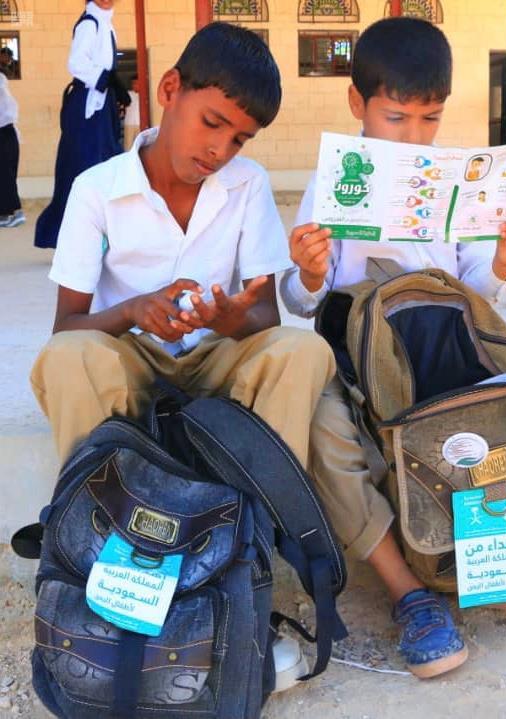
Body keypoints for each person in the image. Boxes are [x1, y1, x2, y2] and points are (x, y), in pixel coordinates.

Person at [281, 17, 506, 680]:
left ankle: (500, 565)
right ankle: (409, 593)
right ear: (358, 104)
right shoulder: (336, 181)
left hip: (442, 341)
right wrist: (306, 271)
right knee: (323, 432)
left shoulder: (457, 181)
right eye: (395, 117)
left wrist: (503, 259)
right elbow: (304, 302)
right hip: (359, 360)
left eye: (430, 119)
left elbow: (474, 288)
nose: (413, 136)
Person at [30, 20, 335, 494]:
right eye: (212, 123)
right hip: (129, 364)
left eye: (239, 140)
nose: (220, 150)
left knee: (303, 350)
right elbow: (66, 326)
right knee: (66, 358)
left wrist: (228, 319)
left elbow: (266, 317)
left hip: (216, 363)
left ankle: (264, 510)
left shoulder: (248, 183)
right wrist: (134, 311)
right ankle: (99, 509)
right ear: (170, 89)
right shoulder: (96, 189)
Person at [34, 0, 125, 249]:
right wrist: (105, 80)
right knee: (82, 169)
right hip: (87, 105)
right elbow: (76, 63)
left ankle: (99, 235)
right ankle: (63, 236)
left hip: (101, 103)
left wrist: (114, 88)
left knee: (105, 165)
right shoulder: (89, 23)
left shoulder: (107, 24)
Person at [0, 69, 25, 228]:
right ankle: (7, 213)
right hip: (7, 132)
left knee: (5, 174)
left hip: (4, 132)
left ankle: (12, 212)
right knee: (6, 174)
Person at [123, 74, 140, 149]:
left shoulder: (144, 95)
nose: (135, 85)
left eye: (137, 83)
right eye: (133, 83)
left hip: (140, 124)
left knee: (139, 146)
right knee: (128, 146)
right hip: (129, 123)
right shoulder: (127, 94)